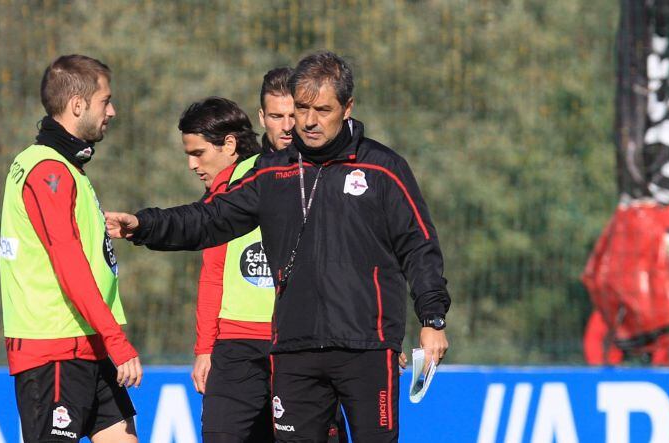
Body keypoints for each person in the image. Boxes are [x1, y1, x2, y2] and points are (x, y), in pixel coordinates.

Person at [107, 51, 450, 442]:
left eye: (322, 109)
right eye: (301, 108)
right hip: (293, 349)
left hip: (366, 347)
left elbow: (419, 246)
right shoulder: (273, 172)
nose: (308, 121)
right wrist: (144, 224)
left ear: (347, 107)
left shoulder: (382, 168)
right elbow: (209, 218)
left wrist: (432, 319)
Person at [0, 54, 140, 442]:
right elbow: (68, 262)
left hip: (86, 344)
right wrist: (117, 340)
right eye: (104, 101)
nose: (111, 111)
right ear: (78, 106)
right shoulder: (48, 169)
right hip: (56, 349)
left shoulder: (64, 165)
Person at [179, 97, 273, 442]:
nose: (191, 164)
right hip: (238, 343)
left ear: (229, 144)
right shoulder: (222, 193)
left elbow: (213, 276)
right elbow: (214, 274)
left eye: (199, 153)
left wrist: (205, 348)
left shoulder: (262, 182)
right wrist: (204, 348)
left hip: (277, 345)